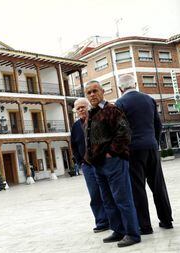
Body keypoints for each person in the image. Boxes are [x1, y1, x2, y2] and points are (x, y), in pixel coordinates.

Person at [85, 80, 140, 248]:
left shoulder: (111, 109)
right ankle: (118, 230)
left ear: (102, 91)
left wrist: (111, 153)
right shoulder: (92, 112)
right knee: (108, 199)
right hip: (98, 164)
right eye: (89, 92)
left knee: (122, 198)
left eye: (95, 91)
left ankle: (132, 233)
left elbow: (124, 133)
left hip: (113, 162)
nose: (92, 94)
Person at [116, 74, 173, 234]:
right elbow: (158, 124)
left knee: (138, 188)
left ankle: (145, 226)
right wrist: (153, 141)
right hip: (152, 147)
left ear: (121, 88)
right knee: (158, 185)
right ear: (135, 84)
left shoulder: (120, 103)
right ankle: (166, 220)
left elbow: (121, 130)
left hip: (134, 150)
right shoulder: (149, 99)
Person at [71, 98, 109, 233]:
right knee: (94, 194)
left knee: (107, 192)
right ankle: (102, 222)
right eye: (78, 108)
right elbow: (74, 146)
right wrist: (80, 161)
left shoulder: (98, 119)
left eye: (83, 107)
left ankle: (114, 219)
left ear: (89, 107)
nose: (81, 110)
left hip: (102, 163)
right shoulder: (75, 126)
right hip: (87, 166)